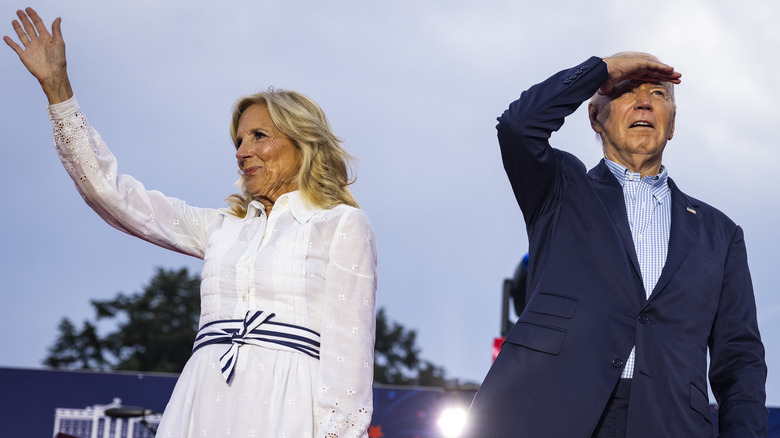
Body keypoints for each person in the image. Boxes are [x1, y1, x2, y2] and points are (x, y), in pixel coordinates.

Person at [5, 8, 377, 438]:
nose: (242, 151)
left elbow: (350, 350)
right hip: (203, 399)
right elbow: (112, 195)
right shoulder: (223, 227)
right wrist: (58, 90)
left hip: (290, 406)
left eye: (259, 136)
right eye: (238, 140)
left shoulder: (342, 224)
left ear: (302, 142)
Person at [464, 53, 767, 437]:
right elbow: (517, 127)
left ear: (672, 124)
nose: (644, 102)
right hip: (554, 414)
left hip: (669, 421)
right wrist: (603, 69)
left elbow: (740, 362)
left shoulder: (720, 233)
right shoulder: (560, 189)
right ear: (595, 117)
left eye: (658, 93)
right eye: (626, 92)